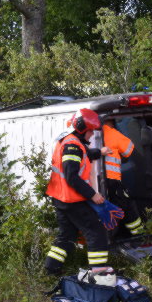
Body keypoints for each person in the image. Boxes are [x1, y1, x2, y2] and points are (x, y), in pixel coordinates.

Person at [44, 109, 113, 276]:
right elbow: (71, 176)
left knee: (66, 235)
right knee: (96, 232)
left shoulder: (69, 140)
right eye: (90, 132)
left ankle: (51, 269)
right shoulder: (73, 145)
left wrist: (99, 152)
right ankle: (99, 273)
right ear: (83, 129)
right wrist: (93, 194)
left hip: (61, 198)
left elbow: (82, 154)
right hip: (72, 200)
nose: (91, 136)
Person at [101, 120, 143, 236]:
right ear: (112, 123)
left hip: (95, 181)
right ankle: (138, 235)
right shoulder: (113, 133)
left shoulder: (89, 135)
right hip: (112, 180)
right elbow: (129, 150)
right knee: (125, 206)